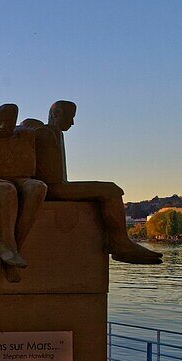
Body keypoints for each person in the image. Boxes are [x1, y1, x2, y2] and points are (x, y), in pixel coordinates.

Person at [27, 101, 161, 265]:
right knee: (111, 190)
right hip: (53, 188)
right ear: (56, 114)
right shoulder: (45, 133)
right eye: (70, 117)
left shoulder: (53, 132)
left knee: (109, 188)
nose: (73, 123)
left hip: (55, 186)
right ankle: (119, 243)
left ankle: (119, 242)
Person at [0, 104, 47, 269]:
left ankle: (14, 245)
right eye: (0, 121)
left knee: (38, 188)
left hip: (19, 177)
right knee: (7, 190)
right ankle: (6, 244)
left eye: (9, 122)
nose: (4, 126)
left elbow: (29, 166)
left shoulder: (23, 137)